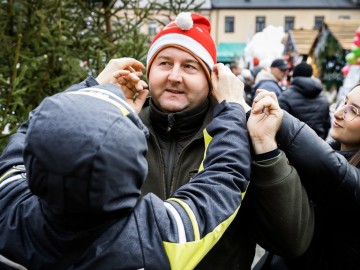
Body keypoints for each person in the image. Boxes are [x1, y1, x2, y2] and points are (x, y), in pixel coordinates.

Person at [56, 12, 313, 269]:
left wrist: (266, 150)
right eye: (165, 63)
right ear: (149, 71)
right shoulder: (113, 128)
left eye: (190, 66)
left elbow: (291, 241)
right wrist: (97, 105)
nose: (174, 76)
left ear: (211, 79)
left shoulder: (239, 138)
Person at [0, 58, 252, 269]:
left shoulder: (8, 208)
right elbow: (224, 178)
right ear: (134, 173)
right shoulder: (155, 239)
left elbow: (30, 134)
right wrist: (231, 107)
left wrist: (95, 88)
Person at [251, 83, 360, 269]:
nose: (338, 112)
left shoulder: (332, 170)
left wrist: (280, 119)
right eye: (344, 101)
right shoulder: (327, 156)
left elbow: (334, 171)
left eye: (353, 111)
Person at [278, 62, 331, 140]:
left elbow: (280, 126)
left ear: (294, 75)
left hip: (293, 148)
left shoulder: (285, 96)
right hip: (319, 146)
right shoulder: (323, 97)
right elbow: (327, 124)